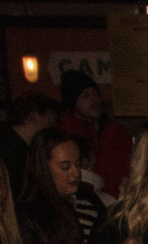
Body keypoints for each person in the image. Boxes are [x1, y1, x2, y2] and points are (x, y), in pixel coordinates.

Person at [57, 68, 134, 200]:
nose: (94, 100)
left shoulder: (115, 130)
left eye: (95, 94)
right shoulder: (65, 135)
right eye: (85, 96)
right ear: (73, 101)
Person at [0, 89, 65, 202]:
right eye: (50, 123)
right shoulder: (11, 151)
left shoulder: (4, 142)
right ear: (32, 117)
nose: (52, 130)